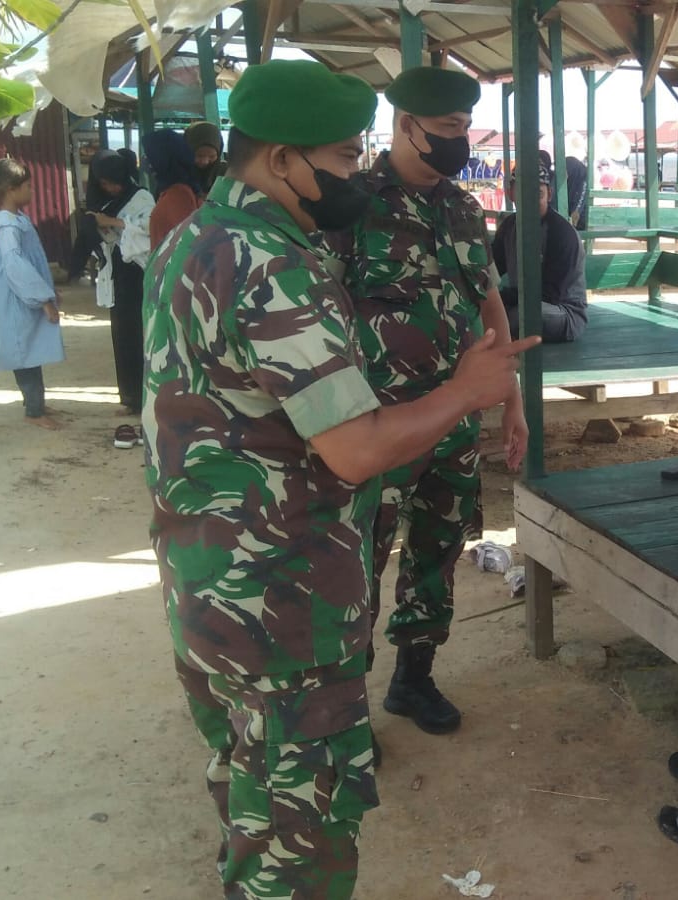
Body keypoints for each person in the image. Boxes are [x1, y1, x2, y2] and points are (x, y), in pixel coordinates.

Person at [142, 59, 535, 900]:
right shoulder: (268, 258)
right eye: (347, 156)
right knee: (302, 840)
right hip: (281, 595)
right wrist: (464, 393)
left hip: (213, 579)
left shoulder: (195, 238)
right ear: (283, 159)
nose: (355, 173)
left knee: (252, 792)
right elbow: (354, 450)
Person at [341, 66, 529, 737]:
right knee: (358, 563)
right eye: (450, 127)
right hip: (380, 424)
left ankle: (413, 680)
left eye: (465, 127)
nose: (461, 139)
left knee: (438, 550)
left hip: (455, 423)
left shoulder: (463, 208)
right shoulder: (351, 205)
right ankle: (345, 710)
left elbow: (488, 300)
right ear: (406, 125)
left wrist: (511, 398)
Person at [0, 158, 64, 431]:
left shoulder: (15, 219)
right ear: (10, 189)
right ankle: (34, 410)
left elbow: (31, 260)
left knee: (30, 349)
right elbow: (16, 266)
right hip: (17, 299)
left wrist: (48, 289)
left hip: (21, 296)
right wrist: (43, 300)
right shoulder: (7, 226)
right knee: (24, 352)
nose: (32, 191)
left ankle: (36, 403)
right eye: (27, 186)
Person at [86, 150, 153, 440]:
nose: (110, 188)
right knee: (122, 334)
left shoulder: (141, 197)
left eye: (113, 182)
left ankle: (146, 395)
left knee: (141, 333)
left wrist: (113, 222)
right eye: (104, 184)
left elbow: (150, 226)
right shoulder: (104, 202)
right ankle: (130, 397)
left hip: (138, 272)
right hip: (117, 273)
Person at [491, 161, 587, 343]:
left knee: (522, 315)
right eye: (522, 194)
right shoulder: (509, 227)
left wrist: (503, 299)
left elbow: (551, 293)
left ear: (549, 194)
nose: (529, 202)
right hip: (521, 303)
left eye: (537, 195)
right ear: (511, 194)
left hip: (562, 311)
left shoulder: (562, 233)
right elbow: (492, 267)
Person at [144, 129, 204, 248]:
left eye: (149, 156)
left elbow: (186, 244)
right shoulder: (173, 190)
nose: (147, 162)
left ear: (162, 159)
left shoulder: (179, 195)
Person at [184, 121, 226, 194]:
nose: (205, 161)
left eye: (212, 156)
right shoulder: (175, 174)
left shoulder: (226, 173)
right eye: (199, 155)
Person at [564, 154, 589, 229]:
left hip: (580, 221)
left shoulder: (583, 178)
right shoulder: (570, 180)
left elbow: (580, 200)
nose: (564, 173)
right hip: (569, 218)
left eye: (566, 169)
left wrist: (574, 214)